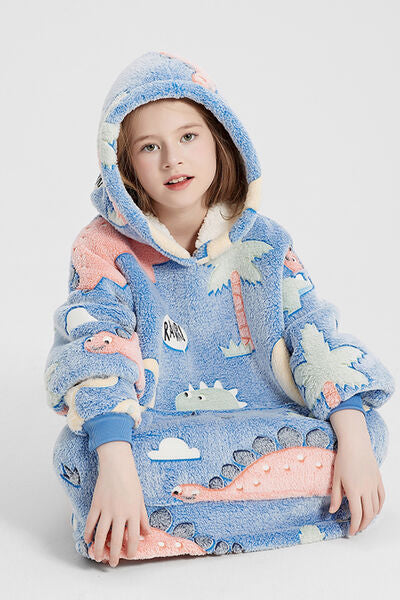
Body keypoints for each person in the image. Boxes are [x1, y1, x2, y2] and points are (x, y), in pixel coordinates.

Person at [44, 50, 395, 568]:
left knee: (365, 433)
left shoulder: (266, 242)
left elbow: (313, 332)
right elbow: (96, 349)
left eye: (188, 136)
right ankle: (152, 500)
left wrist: (353, 434)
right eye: (149, 146)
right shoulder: (102, 249)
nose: (173, 159)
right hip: (151, 429)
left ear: (219, 139)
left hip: (266, 416)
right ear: (123, 164)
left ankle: (157, 524)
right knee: (87, 460)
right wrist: (116, 459)